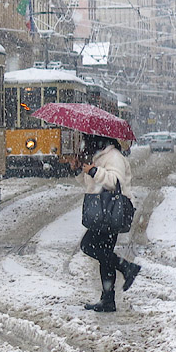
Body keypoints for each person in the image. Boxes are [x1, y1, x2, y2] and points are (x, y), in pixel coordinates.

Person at [72, 134, 141, 312]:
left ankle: (126, 267)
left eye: (87, 140)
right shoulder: (100, 157)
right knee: (104, 255)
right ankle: (108, 299)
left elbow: (114, 182)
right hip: (104, 210)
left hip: (111, 210)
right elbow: (91, 183)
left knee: (89, 245)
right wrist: (80, 170)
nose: (84, 144)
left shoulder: (114, 157)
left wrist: (95, 171)